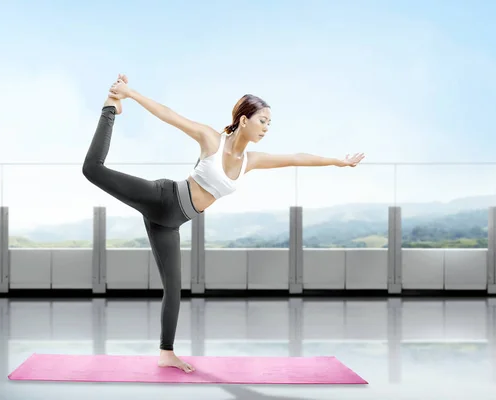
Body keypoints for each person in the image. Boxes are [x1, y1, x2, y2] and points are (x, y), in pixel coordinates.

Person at [82, 74, 365, 373]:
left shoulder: (251, 161)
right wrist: (128, 93)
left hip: (170, 224)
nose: (267, 128)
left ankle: (167, 353)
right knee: (92, 169)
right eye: (263, 121)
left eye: (270, 123)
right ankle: (110, 108)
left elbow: (296, 157)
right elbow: (168, 115)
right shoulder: (211, 140)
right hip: (162, 198)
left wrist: (338, 161)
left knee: (174, 290)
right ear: (244, 120)